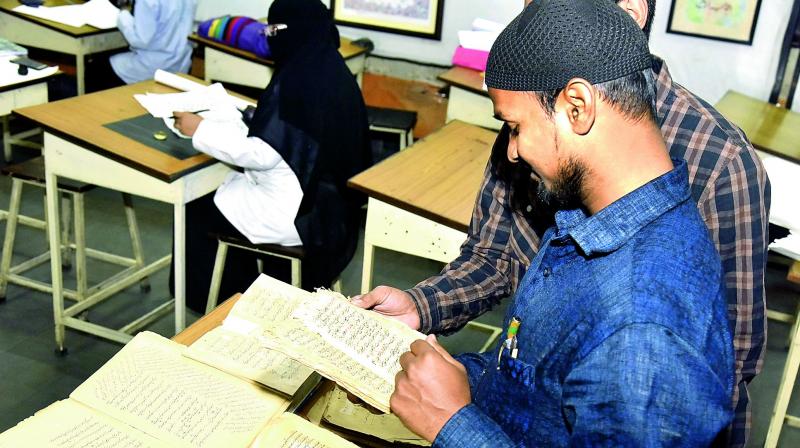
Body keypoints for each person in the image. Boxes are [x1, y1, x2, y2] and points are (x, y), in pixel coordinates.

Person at [354, 0, 769, 444]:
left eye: (515, 128)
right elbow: (540, 380)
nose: (512, 151)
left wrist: (452, 423)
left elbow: (690, 381)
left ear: (577, 106)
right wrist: (460, 377)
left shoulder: (645, 327)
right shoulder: (587, 201)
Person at [172, 0, 370, 313]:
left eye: (274, 31)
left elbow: (262, 154)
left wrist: (199, 129)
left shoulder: (296, 80)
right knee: (228, 193)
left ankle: (217, 307)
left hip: (294, 215)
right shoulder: (332, 70)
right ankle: (252, 296)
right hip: (332, 214)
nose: (269, 39)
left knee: (198, 205)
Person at [86, 0, 196, 92]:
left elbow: (140, 40)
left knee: (96, 67)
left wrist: (123, 14)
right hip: (180, 64)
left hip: (153, 67)